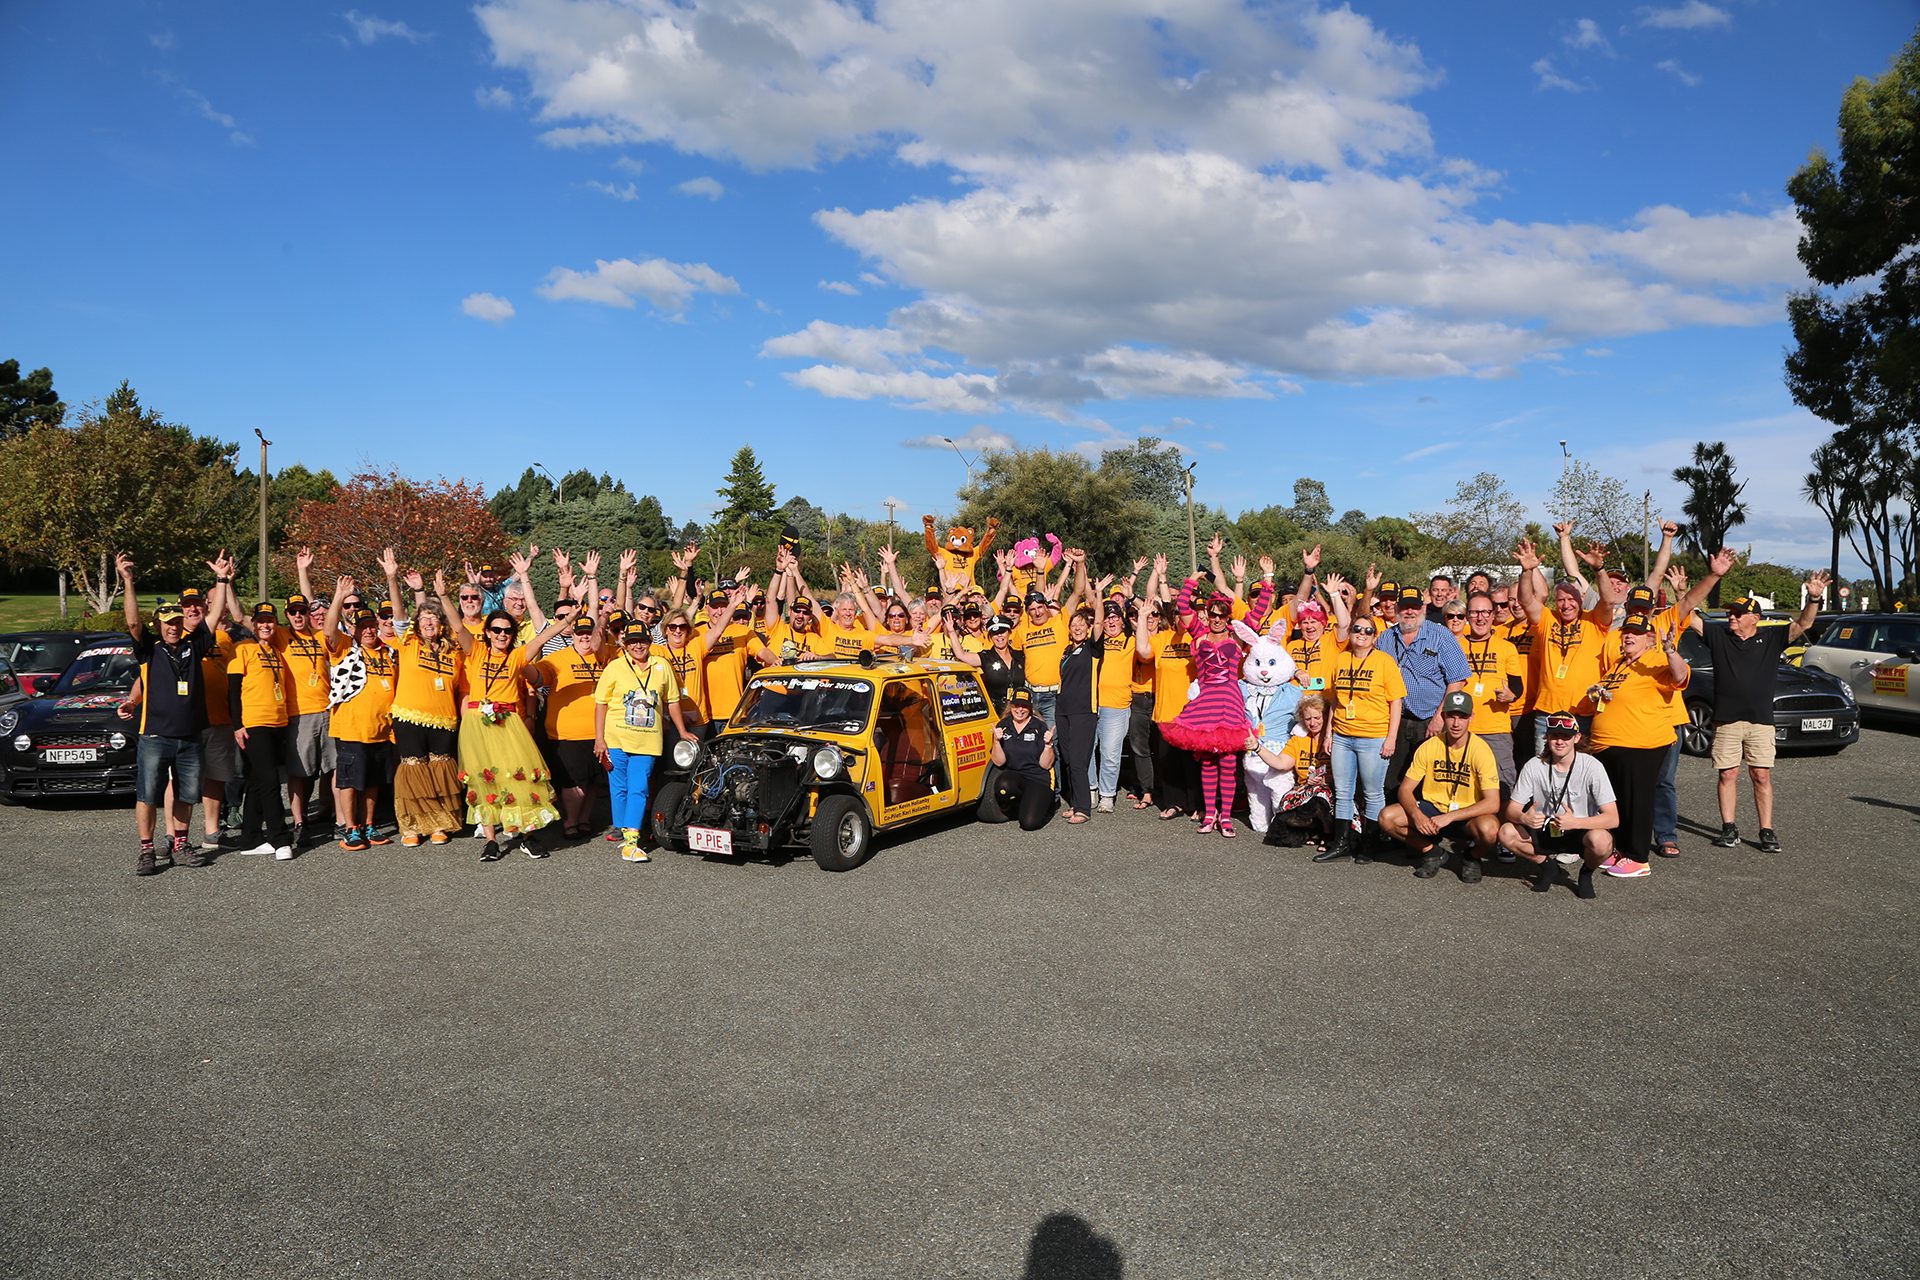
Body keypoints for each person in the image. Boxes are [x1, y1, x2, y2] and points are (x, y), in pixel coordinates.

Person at [1694, 561, 1830, 854]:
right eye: (1730, 612)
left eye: (1737, 613)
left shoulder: (1771, 637)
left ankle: (1766, 830)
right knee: (1727, 774)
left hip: (1760, 721)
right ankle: (1728, 828)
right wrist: (1684, 591)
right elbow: (1687, 616)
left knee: (1761, 775)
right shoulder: (1718, 636)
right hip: (1726, 720)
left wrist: (1814, 597)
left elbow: (1804, 624)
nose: (1731, 616)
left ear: (1754, 618)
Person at [444, 553, 559, 861]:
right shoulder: (477, 651)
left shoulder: (518, 656)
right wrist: (443, 595)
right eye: (496, 630)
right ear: (488, 633)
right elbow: (456, 625)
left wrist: (568, 621)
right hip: (476, 724)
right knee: (484, 778)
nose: (501, 635)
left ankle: (526, 835)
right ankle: (491, 840)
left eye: (506, 631)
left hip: (508, 721)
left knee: (519, 776)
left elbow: (545, 634)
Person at [117, 554, 219, 876]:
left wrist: (222, 580)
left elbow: (212, 616)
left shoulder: (195, 644)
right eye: (168, 623)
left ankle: (180, 844)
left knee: (187, 794)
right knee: (148, 795)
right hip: (155, 736)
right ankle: (147, 850)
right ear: (159, 626)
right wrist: (128, 581)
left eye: (177, 622)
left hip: (190, 736)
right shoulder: (149, 649)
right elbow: (133, 622)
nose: (174, 627)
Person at [1160, 573, 1273, 838]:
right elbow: (1183, 606)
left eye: (1222, 615)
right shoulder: (1198, 634)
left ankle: (1227, 815)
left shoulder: (1237, 635)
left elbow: (1258, 610)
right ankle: (1209, 813)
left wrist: (1267, 579)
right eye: (1213, 614)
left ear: (1228, 616)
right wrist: (1192, 580)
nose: (1217, 619)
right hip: (1207, 701)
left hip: (1230, 701)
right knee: (1208, 761)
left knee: (1228, 761)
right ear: (1208, 614)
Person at [1582, 613, 1691, 879]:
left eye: (1636, 633)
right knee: (1620, 802)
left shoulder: (1656, 660)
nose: (1629, 636)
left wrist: (1670, 651)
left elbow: (1679, 677)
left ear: (1649, 639)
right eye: (1626, 631)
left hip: (1641, 744)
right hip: (1612, 747)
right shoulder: (1619, 663)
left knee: (1638, 801)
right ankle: (1621, 850)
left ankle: (1639, 857)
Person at [1379, 690, 1501, 882]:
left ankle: (1471, 857)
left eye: (1462, 717)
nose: (1456, 723)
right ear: (1443, 716)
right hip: (1432, 808)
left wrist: (1449, 817)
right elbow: (1405, 789)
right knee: (1387, 817)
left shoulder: (1481, 750)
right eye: (1451, 716)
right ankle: (1432, 852)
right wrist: (1416, 815)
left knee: (1490, 830)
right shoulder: (1430, 746)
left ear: (1471, 718)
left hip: (1465, 814)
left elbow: (1493, 803)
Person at [1316, 604, 1406, 862]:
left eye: (1368, 631)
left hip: (1373, 737)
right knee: (1343, 791)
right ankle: (1342, 842)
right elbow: (1334, 700)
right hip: (1343, 736)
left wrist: (1391, 738)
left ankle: (1369, 844)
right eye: (1357, 629)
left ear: (1375, 637)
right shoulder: (1341, 659)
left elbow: (1396, 702)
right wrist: (1329, 732)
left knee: (1372, 792)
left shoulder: (1384, 662)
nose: (1362, 634)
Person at [593, 619, 689, 862]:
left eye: (643, 641)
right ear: (624, 644)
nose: (638, 646)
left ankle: (631, 842)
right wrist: (599, 739)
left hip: (647, 740)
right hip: (616, 737)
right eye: (632, 642)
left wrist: (682, 731)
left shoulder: (662, 665)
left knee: (639, 787)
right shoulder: (614, 667)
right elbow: (601, 704)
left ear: (650, 641)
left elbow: (673, 700)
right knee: (620, 787)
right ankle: (624, 830)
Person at [1497, 714, 1620, 899]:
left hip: (1580, 829)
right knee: (1506, 832)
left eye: (1566, 736)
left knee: (1602, 841)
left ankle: (1586, 874)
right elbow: (1512, 809)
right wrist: (1523, 818)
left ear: (1576, 738)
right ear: (1546, 737)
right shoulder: (1534, 765)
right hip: (1545, 827)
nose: (1560, 741)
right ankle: (1548, 867)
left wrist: (1575, 822)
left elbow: (1613, 818)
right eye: (1555, 736)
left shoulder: (1592, 766)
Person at [387, 570, 468, 846]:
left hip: (444, 720)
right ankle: (412, 826)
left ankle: (440, 823)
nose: (428, 622)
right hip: (409, 717)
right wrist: (392, 578)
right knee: (413, 770)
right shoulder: (408, 643)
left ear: (441, 623)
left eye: (433, 618)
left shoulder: (454, 651)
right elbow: (398, 613)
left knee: (440, 771)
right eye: (423, 619)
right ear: (417, 624)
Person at [321, 599, 399, 852]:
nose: (368, 631)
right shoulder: (346, 649)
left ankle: (368, 824)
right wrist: (338, 596)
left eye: (371, 625)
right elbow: (329, 631)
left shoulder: (388, 652)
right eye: (362, 626)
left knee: (373, 781)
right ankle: (350, 828)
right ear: (353, 629)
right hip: (352, 729)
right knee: (350, 781)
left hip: (381, 730)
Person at [1379, 585, 1470, 794]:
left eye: (1415, 607)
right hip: (1397, 721)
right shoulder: (1385, 639)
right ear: (1397, 609)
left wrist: (1440, 717)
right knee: (1392, 781)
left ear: (1423, 609)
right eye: (1404, 607)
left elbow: (1458, 680)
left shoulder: (1440, 635)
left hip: (1430, 720)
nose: (1410, 612)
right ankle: (1393, 825)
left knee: (1428, 782)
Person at [227, 602, 295, 861]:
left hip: (278, 723)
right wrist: (237, 726)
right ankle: (280, 839)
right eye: (261, 621)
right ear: (253, 624)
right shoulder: (242, 649)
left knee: (257, 781)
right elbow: (232, 692)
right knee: (270, 782)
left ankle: (251, 837)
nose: (266, 625)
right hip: (255, 725)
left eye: (270, 621)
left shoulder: (277, 651)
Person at [535, 612, 608, 842]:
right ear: (573, 635)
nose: (585, 637)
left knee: (595, 781)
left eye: (589, 633)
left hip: (600, 733)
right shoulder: (557, 659)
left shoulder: (605, 656)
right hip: (568, 735)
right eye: (580, 633)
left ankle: (584, 819)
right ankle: (570, 821)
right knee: (573, 783)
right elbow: (537, 677)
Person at [1136, 558, 1197, 820]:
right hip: (1165, 712)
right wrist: (1141, 618)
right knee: (1169, 762)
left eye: (1183, 613)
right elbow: (1142, 650)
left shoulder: (1197, 638)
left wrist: (1167, 579)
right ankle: (1173, 803)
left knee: (1192, 763)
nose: (1179, 617)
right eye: (1175, 614)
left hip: (1193, 713)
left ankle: (1197, 806)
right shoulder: (1161, 639)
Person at [1458, 591, 1525, 792]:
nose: (1481, 618)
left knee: (1502, 786)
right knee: (1464, 787)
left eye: (1486, 612)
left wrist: (1510, 696)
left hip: (1495, 730)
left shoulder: (1507, 648)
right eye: (1475, 612)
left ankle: (1504, 823)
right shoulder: (1455, 645)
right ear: (1468, 616)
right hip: (1461, 729)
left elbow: (1517, 687)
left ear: (1493, 614)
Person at [1260, 693, 1335, 850]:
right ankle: (1313, 829)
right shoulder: (1298, 740)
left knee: (1321, 795)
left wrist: (1326, 779)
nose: (1312, 723)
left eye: (1317, 717)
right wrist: (1257, 748)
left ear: (1326, 716)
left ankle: (1328, 833)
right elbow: (1281, 764)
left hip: (1331, 790)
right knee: (1284, 818)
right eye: (1308, 719)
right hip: (1305, 790)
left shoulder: (1335, 740)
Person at [983, 688, 1057, 831]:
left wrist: (1048, 746)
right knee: (1003, 785)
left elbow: (1046, 765)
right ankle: (1022, 805)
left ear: (1030, 707)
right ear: (1011, 706)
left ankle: (1043, 804)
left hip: (1038, 778)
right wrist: (996, 742)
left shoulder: (1039, 726)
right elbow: (999, 762)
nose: (1020, 709)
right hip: (1015, 777)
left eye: (1024, 705)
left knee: (1029, 824)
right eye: (1017, 705)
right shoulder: (1003, 725)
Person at [1056, 604, 1101, 824]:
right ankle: (1075, 802)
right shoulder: (1066, 651)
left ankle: (1083, 808)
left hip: (1084, 711)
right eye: (1074, 625)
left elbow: (1100, 623)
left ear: (1089, 627)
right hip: (1063, 710)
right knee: (1066, 758)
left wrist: (1099, 595)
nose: (1077, 628)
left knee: (1077, 761)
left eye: (1082, 624)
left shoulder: (1092, 648)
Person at [1093, 595, 1138, 814]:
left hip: (1117, 706)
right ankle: (1091, 789)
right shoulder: (1096, 639)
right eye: (1107, 618)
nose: (1111, 622)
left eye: (1115, 617)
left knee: (1110, 753)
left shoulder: (1131, 640)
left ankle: (1107, 795)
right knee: (1088, 751)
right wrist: (1098, 593)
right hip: (1091, 704)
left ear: (1122, 620)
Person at [978, 615, 1024, 715]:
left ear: (1009, 633)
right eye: (995, 634)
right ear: (990, 637)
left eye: (1002, 632)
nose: (999, 636)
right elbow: (961, 655)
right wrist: (951, 632)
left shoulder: (1019, 656)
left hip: (1019, 710)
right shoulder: (986, 656)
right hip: (995, 711)